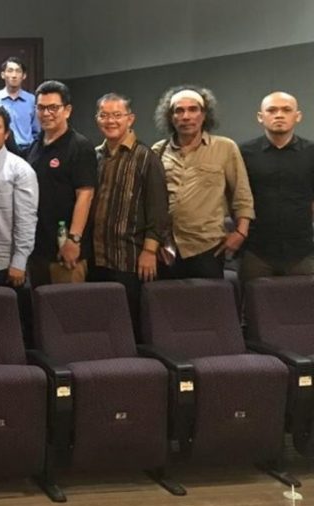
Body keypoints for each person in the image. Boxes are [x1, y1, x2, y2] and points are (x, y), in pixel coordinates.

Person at [152, 85, 253, 279]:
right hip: (167, 248)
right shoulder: (158, 151)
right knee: (166, 298)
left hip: (208, 247)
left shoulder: (225, 148)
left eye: (193, 109)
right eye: (179, 111)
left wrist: (241, 233)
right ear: (170, 117)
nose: (186, 116)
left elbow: (242, 194)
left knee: (208, 298)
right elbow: (150, 201)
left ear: (204, 114)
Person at [90, 93, 169, 333]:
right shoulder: (95, 155)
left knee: (130, 327)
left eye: (117, 115)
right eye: (104, 115)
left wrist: (149, 250)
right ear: (97, 119)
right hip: (97, 257)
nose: (110, 121)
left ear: (130, 119)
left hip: (131, 259)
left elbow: (158, 208)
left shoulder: (146, 157)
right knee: (102, 325)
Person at [26, 80, 96, 287]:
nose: (46, 113)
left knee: (66, 304)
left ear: (67, 110)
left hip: (66, 249)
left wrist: (74, 240)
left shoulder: (80, 146)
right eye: (41, 108)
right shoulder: (34, 146)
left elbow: (85, 195)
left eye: (53, 108)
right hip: (38, 248)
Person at [238, 91, 314, 281]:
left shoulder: (311, 152)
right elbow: (235, 197)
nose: (279, 115)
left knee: (305, 300)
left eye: (286, 110)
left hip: (302, 251)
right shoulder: (242, 153)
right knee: (253, 299)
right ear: (260, 117)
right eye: (271, 110)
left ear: (298, 116)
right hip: (256, 251)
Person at [0, 106, 38, 288]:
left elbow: (26, 219)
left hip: (4, 263)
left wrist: (19, 260)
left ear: (6, 134)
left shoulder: (20, 170)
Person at [0, 57, 40, 153]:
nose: (14, 75)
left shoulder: (32, 100)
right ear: (3, 75)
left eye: (18, 71)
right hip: (1, 150)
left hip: (27, 150)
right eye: (10, 71)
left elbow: (37, 130)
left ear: (24, 76)